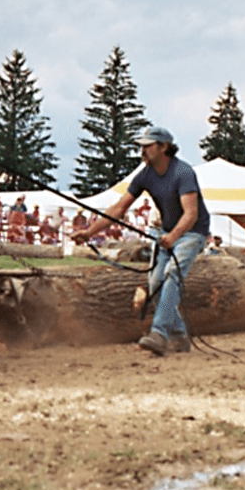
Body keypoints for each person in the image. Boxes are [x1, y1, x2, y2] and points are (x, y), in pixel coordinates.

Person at [72, 126, 210, 357]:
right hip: (166, 233)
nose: (142, 151)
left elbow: (191, 214)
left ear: (164, 147)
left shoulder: (183, 172)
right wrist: (89, 232)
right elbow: (119, 208)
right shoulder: (145, 174)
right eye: (141, 146)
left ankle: (159, 333)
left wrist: (173, 237)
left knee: (172, 274)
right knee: (155, 284)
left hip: (191, 232)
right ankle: (179, 336)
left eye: (148, 146)